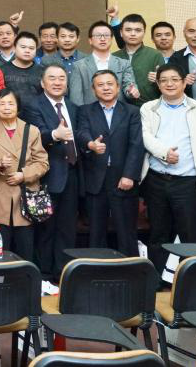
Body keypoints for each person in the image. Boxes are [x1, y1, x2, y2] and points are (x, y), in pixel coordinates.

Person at [139, 64, 196, 271]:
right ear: (158, 84)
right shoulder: (148, 108)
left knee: (191, 235)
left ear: (184, 82)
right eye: (164, 80)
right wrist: (164, 153)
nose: (169, 84)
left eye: (174, 79)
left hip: (188, 182)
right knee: (158, 233)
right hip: (156, 179)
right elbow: (145, 136)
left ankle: (190, 280)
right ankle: (157, 279)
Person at [75, 70, 145, 257]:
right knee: (96, 233)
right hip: (95, 179)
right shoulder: (85, 111)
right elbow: (81, 132)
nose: (105, 88)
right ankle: (97, 269)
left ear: (118, 87)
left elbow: (136, 145)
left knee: (126, 232)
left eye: (109, 84)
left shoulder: (131, 112)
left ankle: (129, 269)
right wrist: (90, 144)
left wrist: (129, 175)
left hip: (123, 178)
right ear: (93, 89)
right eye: (100, 85)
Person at [20, 65, 80, 278]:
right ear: (42, 83)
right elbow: (34, 135)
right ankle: (43, 274)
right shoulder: (33, 105)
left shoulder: (72, 106)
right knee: (46, 228)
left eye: (61, 78)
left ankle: (62, 273)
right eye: (52, 78)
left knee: (67, 227)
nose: (57, 82)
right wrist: (55, 134)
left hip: (72, 173)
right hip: (47, 174)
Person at [0, 89, 49, 263]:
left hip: (24, 196)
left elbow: (42, 163)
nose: (6, 107)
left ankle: (25, 278)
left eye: (11, 103)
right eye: (1, 104)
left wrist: (23, 175)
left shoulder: (31, 131)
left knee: (25, 247)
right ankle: (0, 278)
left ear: (18, 107)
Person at [68, 21, 138, 106]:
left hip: (119, 112)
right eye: (98, 35)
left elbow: (129, 86)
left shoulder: (124, 64)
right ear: (90, 40)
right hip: (90, 113)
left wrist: (131, 91)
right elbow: (76, 98)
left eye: (106, 35)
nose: (102, 39)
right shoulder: (79, 66)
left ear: (111, 39)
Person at [113, 14, 162, 103]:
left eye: (138, 30)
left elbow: (166, 86)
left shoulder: (155, 55)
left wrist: (160, 79)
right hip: (119, 107)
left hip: (148, 106)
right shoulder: (114, 57)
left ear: (144, 33)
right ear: (121, 32)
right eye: (128, 30)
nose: (133, 34)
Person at [0, 32, 44, 103]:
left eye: (31, 48)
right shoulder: (2, 70)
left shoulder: (42, 71)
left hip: (37, 109)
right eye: (23, 47)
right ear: (14, 48)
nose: (27, 51)